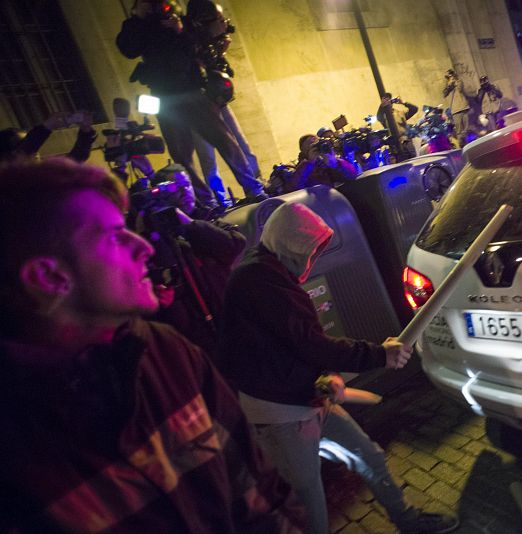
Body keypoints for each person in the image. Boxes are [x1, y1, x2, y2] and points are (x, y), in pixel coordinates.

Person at [0, 157, 303, 532]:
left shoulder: (164, 353)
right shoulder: (16, 453)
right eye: (113, 236)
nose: (142, 246)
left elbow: (259, 491)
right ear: (48, 277)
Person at [218, 202, 460, 534]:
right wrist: (379, 355)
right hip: (280, 416)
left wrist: (320, 375)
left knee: (369, 457)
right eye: (311, 249)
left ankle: (407, 521)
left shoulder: (270, 272)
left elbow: (287, 345)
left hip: (308, 396)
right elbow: (309, 343)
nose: (313, 258)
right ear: (291, 242)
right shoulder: (258, 280)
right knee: (308, 501)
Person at [116, 0, 266, 209]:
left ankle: (254, 188)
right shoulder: (136, 26)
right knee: (181, 154)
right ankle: (207, 203)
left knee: (224, 140)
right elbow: (128, 49)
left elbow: (201, 42)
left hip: (192, 90)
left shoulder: (178, 18)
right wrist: (138, 17)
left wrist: (179, 29)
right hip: (164, 96)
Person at [134, 164, 246, 358]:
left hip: (229, 320)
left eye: (187, 185)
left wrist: (187, 223)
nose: (185, 191)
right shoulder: (155, 238)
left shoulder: (210, 217)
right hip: (194, 334)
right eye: (176, 188)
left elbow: (234, 245)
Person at [187, 0, 262, 207]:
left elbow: (225, 73)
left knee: (241, 144)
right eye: (219, 20)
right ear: (203, 22)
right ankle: (220, 200)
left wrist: (220, 52)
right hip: (198, 109)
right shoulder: (189, 44)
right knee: (208, 158)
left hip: (218, 102)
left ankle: (257, 186)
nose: (224, 24)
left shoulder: (212, 43)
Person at [0, 110, 96, 163]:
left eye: (35, 149)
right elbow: (23, 153)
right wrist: (46, 127)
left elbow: (73, 161)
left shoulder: (43, 173)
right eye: (22, 144)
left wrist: (85, 132)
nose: (36, 153)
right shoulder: (11, 184)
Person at [290, 135, 358, 190]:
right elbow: (295, 187)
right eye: (313, 146)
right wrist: (310, 163)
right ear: (304, 152)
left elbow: (353, 175)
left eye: (318, 144)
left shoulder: (325, 161)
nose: (317, 148)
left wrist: (336, 164)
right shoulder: (301, 167)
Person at [442, 69, 471, 146]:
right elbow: (444, 94)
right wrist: (449, 84)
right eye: (448, 76)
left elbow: (460, 89)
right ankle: (462, 146)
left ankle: (469, 145)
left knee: (466, 129)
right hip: (455, 110)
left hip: (464, 107)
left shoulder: (459, 81)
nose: (450, 77)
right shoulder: (447, 85)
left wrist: (455, 81)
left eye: (451, 75)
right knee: (459, 131)